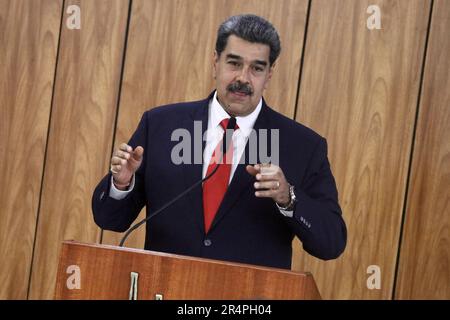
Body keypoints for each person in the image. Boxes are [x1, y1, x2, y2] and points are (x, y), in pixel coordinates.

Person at [92, 14, 346, 269]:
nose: (243, 78)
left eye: (256, 68)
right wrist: (121, 183)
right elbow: (109, 219)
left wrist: (288, 197)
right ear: (216, 62)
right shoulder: (160, 125)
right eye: (234, 63)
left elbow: (331, 243)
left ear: (269, 75)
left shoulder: (302, 146)